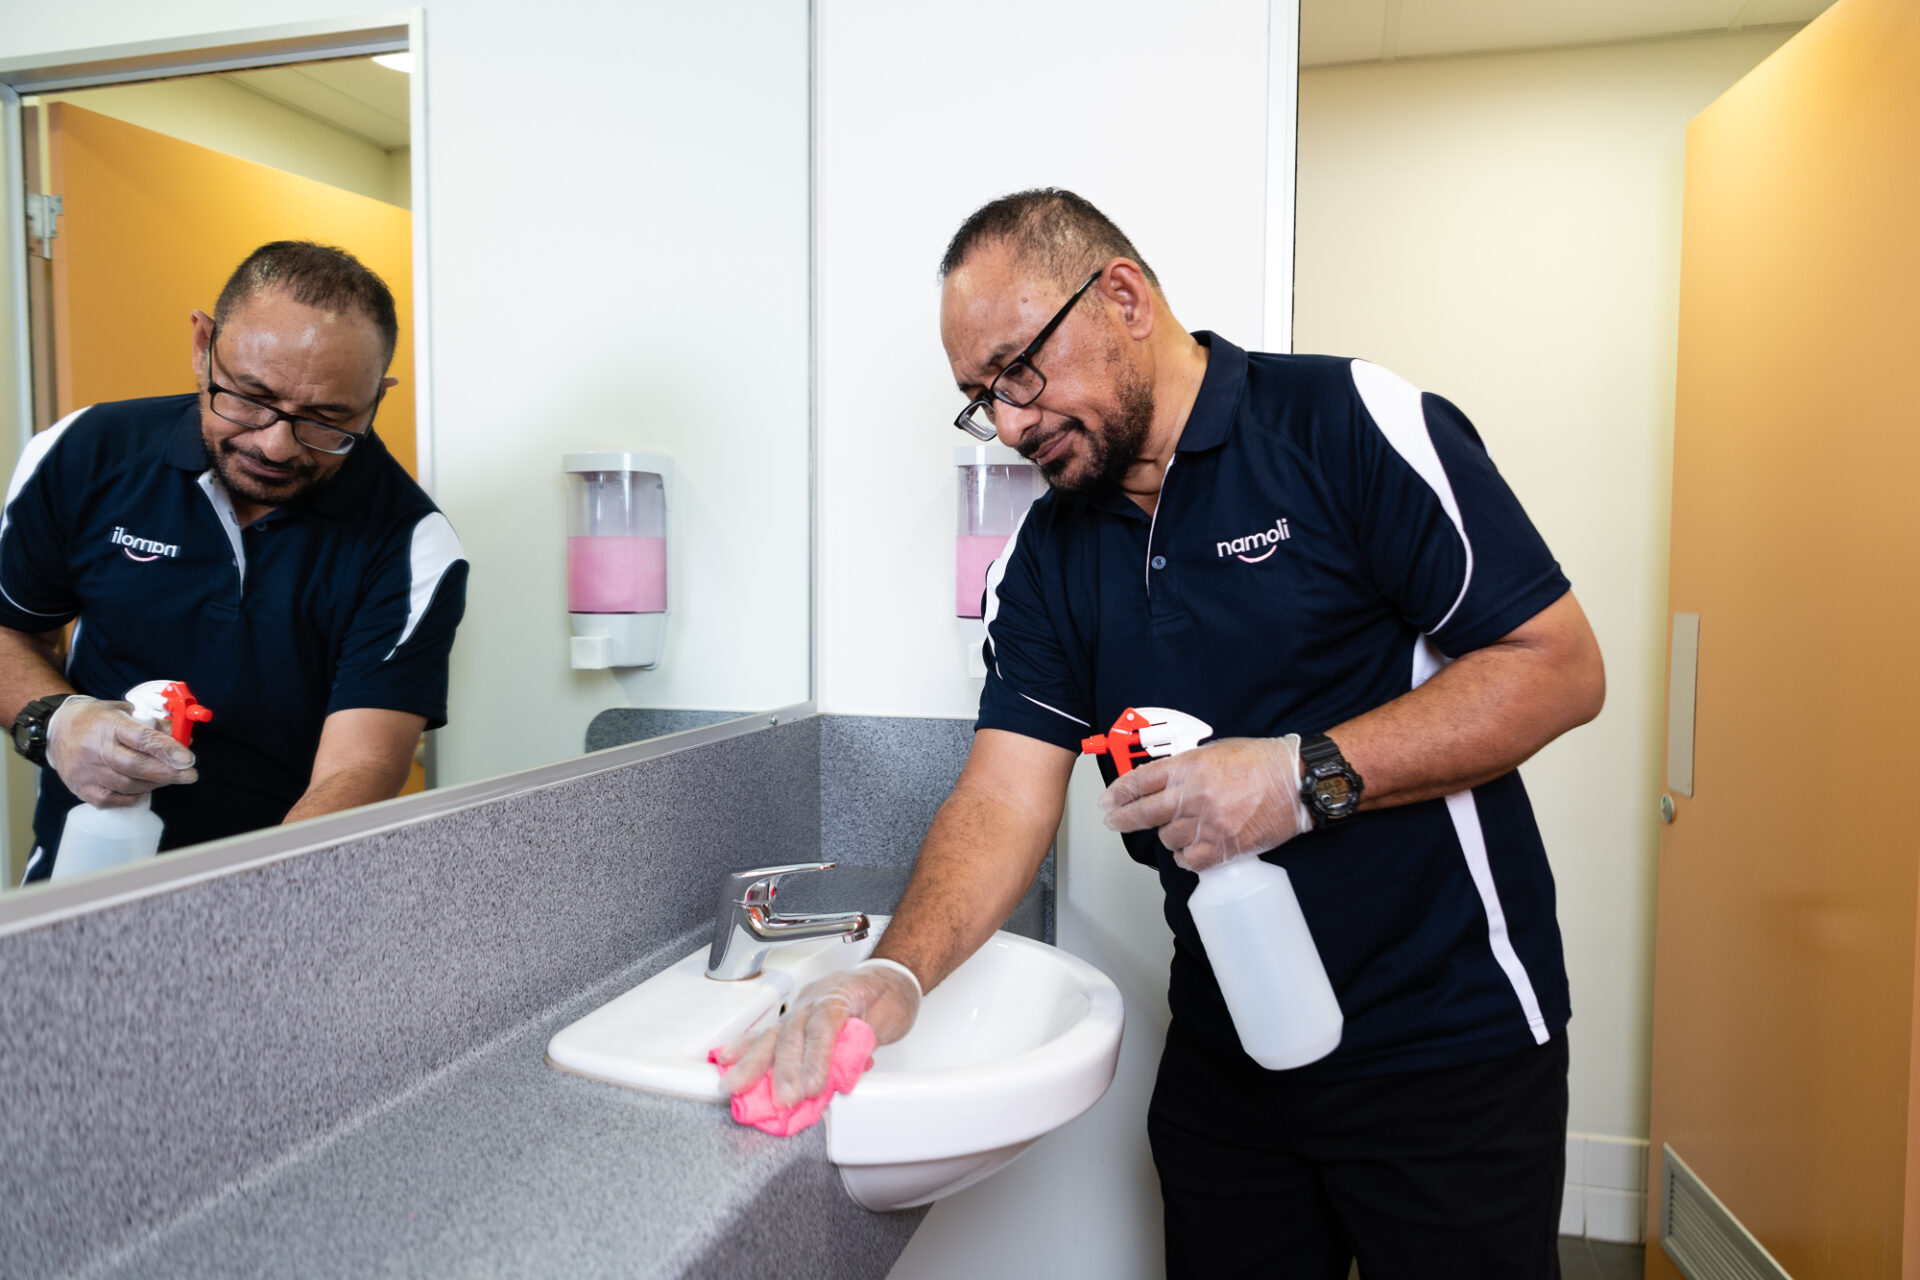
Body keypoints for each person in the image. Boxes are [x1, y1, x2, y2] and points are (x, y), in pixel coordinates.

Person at [720, 190, 1604, 1278]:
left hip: (1447, 1047)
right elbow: (1004, 796)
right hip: (1234, 1060)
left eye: (1019, 371)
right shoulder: (1046, 556)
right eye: (979, 398)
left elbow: (1557, 666)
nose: (1007, 422)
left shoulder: (1341, 423)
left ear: (1124, 297)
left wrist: (1299, 774)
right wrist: (895, 973)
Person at [1, 240, 468, 882]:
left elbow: (360, 766)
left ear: (376, 399)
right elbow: (9, 629)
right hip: (82, 868)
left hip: (288, 879)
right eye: (250, 397)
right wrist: (57, 721)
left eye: (327, 420)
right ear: (202, 345)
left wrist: (252, 904)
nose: (275, 445)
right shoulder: (84, 453)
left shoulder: (411, 543)